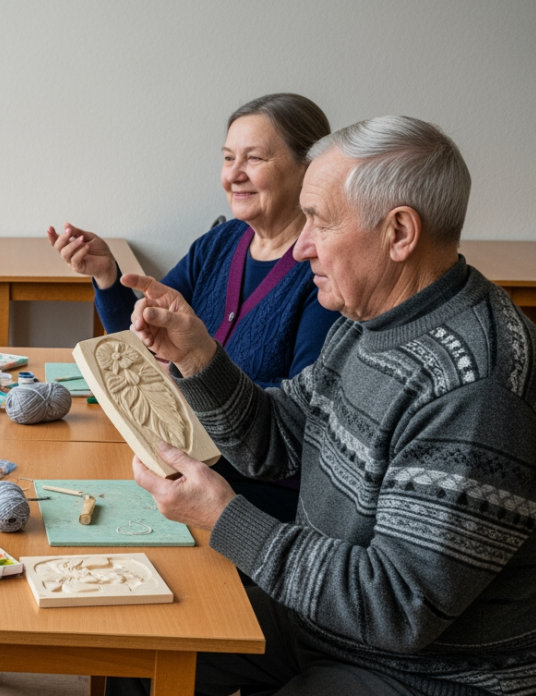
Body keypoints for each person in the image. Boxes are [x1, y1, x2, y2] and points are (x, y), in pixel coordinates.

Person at [118, 116, 536, 694]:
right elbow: (277, 439)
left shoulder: (477, 386)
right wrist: (198, 356)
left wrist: (224, 519)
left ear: (399, 233)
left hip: (429, 673)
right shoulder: (368, 322)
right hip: (325, 623)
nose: (299, 248)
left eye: (318, 221)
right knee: (140, 658)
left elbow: (397, 607)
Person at [48, 93, 341, 522]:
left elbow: (297, 426)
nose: (234, 175)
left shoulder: (322, 274)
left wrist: (196, 374)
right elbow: (147, 345)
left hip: (251, 494)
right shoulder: (218, 245)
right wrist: (108, 276)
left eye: (254, 158)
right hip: (179, 458)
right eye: (228, 158)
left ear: (308, 167)